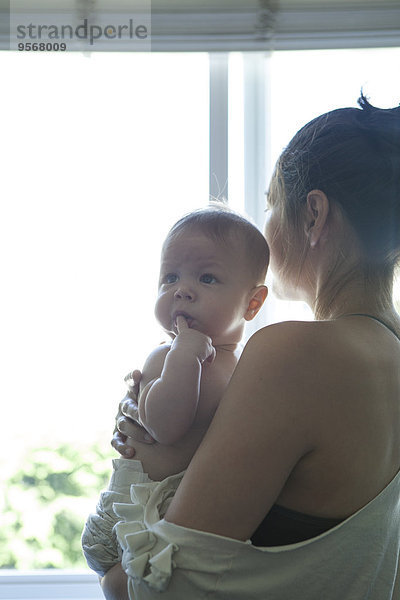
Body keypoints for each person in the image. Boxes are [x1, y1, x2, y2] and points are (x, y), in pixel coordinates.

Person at [101, 94, 400, 600]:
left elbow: (161, 587)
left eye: (272, 204)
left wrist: (116, 555)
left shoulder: (296, 353)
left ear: (313, 215)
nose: (266, 224)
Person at [81, 206, 269, 579]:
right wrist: (185, 353)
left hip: (177, 513)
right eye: (170, 277)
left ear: (253, 303)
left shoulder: (247, 368)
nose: (181, 290)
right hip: (130, 519)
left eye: (207, 278)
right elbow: (166, 426)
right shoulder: (166, 357)